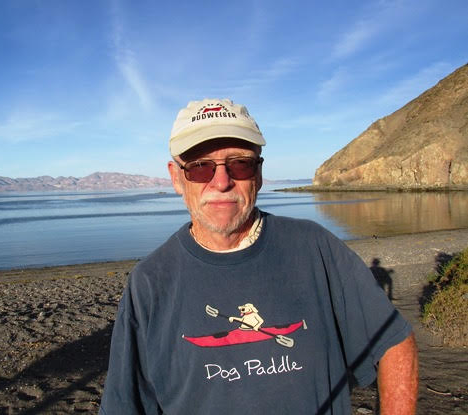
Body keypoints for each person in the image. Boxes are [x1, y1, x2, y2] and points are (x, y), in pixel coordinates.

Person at [99, 98, 418, 414]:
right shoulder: (150, 282)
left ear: (259, 173)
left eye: (240, 164)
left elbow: (394, 343)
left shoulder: (315, 247)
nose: (222, 182)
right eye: (200, 167)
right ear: (176, 177)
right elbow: (124, 406)